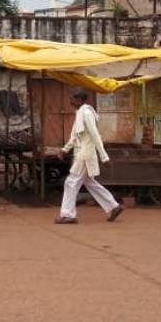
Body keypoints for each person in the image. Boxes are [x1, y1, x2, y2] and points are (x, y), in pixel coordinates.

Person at [54, 89, 124, 224]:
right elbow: (74, 136)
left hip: (85, 154)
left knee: (71, 182)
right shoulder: (80, 113)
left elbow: (95, 135)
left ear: (79, 99)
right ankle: (114, 206)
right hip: (82, 154)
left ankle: (68, 215)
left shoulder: (86, 113)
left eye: (72, 99)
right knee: (90, 183)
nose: (70, 101)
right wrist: (64, 150)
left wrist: (104, 157)